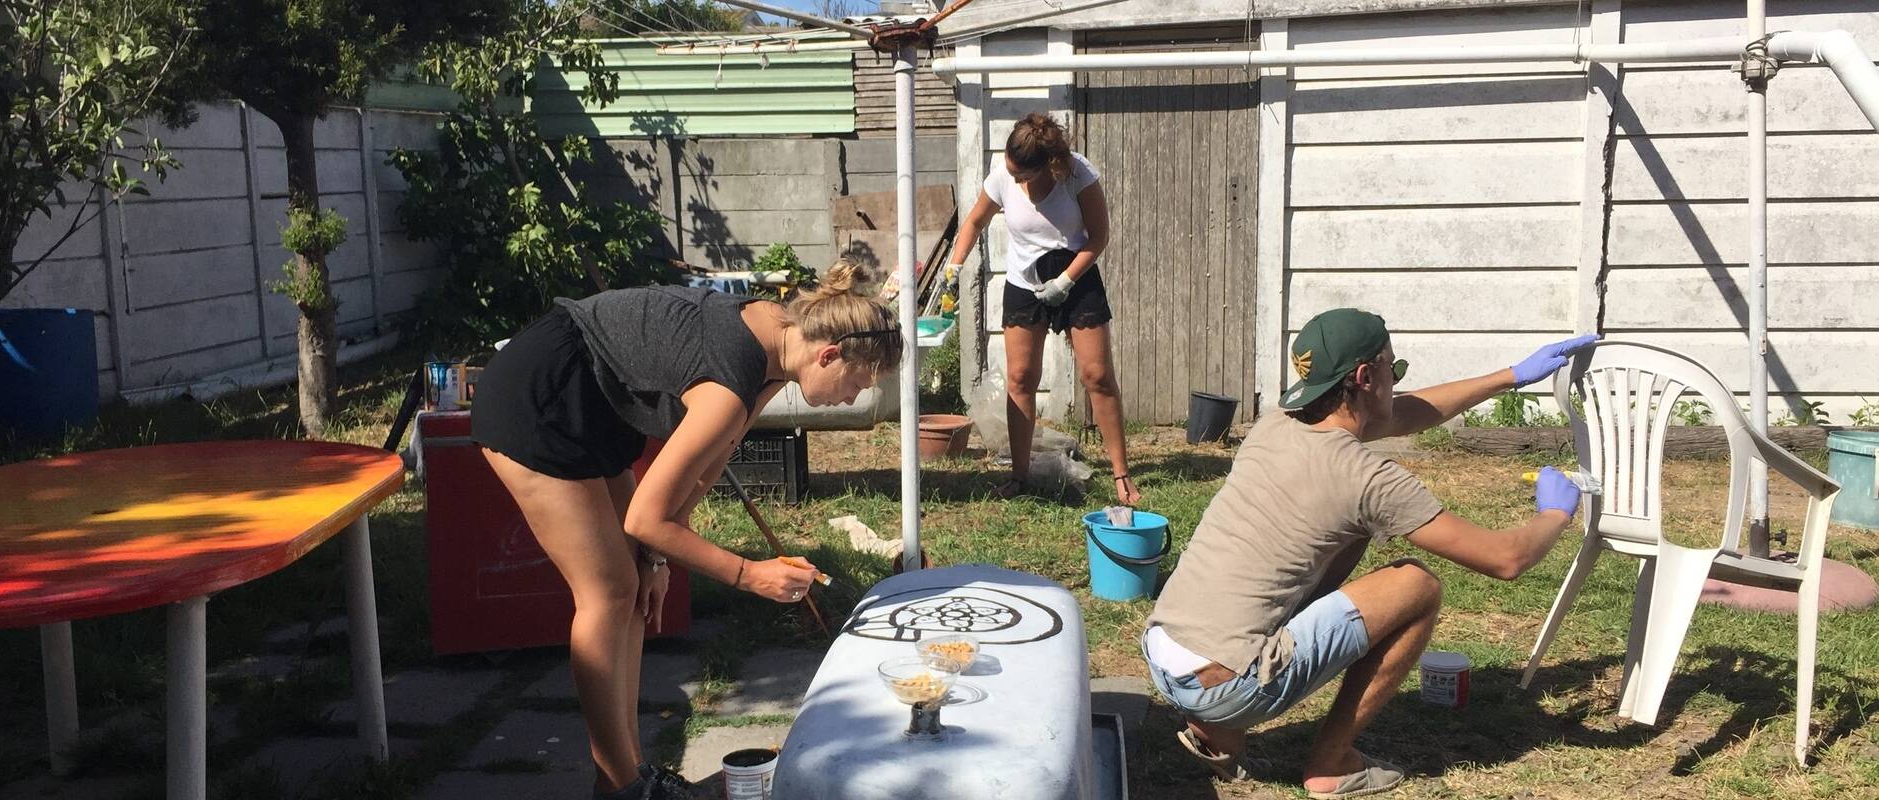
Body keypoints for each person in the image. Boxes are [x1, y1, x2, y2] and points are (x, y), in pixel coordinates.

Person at [468, 262, 900, 800]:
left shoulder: (779, 340)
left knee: (632, 588)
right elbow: (646, 518)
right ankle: (622, 785)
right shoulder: (732, 375)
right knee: (607, 592)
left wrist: (656, 559)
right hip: (541, 395)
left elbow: (706, 468)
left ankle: (626, 773)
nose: (853, 397)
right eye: (857, 383)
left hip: (598, 399)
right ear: (828, 354)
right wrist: (746, 575)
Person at [1142, 308, 1598, 799]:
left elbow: (1401, 414)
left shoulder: (1273, 427)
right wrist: (1555, 514)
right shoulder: (1366, 478)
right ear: (1365, 376)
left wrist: (1508, 377)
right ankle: (1332, 763)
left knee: (1349, 535)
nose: (1397, 382)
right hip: (1225, 684)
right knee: (1417, 586)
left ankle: (1215, 735)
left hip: (1164, 653)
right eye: (1393, 370)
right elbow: (1506, 559)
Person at [945, 112, 1140, 505]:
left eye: (1022, 176)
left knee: (1097, 375)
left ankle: (1121, 473)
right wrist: (954, 264)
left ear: (1047, 164)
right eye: (1012, 173)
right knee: (1021, 377)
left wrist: (1066, 281)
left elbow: (1099, 236)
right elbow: (975, 221)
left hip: (1075, 276)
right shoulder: (1003, 175)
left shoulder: (1077, 174)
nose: (1014, 181)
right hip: (1025, 283)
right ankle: (1020, 476)